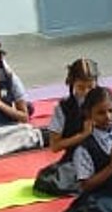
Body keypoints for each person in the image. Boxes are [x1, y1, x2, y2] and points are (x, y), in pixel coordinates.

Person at [34, 58, 102, 197]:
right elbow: (55, 146)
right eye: (81, 87)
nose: (86, 92)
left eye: (90, 87)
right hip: (76, 159)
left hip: (105, 156)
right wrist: (82, 135)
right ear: (72, 84)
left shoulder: (108, 102)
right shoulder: (64, 108)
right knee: (48, 180)